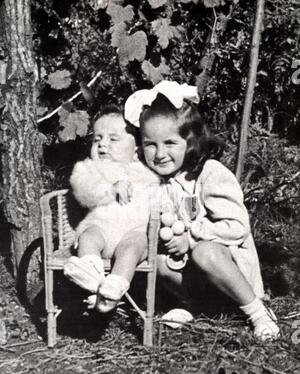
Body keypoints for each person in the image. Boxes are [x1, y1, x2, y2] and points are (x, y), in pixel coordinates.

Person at [124, 80, 280, 341]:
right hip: (199, 280)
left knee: (205, 251)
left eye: (170, 143)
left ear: (191, 140)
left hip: (230, 274)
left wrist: (192, 236)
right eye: (150, 144)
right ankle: (193, 305)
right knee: (159, 259)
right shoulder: (155, 180)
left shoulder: (209, 174)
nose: (160, 154)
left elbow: (237, 227)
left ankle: (257, 312)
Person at [64, 105, 159, 313]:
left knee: (134, 246)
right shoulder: (90, 169)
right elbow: (83, 191)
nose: (103, 145)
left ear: (136, 151)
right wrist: (109, 188)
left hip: (133, 234)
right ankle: (90, 273)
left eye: (113, 139)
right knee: (89, 236)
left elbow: (158, 199)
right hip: (101, 231)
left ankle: (114, 286)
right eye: (97, 139)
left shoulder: (145, 174)